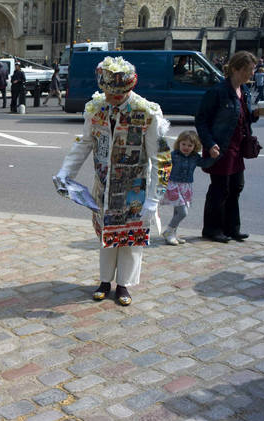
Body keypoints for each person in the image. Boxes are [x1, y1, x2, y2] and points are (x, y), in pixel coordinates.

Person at [55, 56, 172, 306]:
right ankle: (105, 280)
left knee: (130, 239)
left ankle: (124, 285)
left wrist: (154, 199)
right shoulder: (96, 108)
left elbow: (160, 158)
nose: (112, 98)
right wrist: (66, 173)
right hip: (104, 186)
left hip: (135, 189)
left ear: (130, 89)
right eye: (108, 92)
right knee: (106, 235)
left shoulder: (147, 112)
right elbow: (84, 143)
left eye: (118, 95)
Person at [196, 51, 264, 243]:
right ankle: (212, 229)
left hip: (237, 148)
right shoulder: (218, 91)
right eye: (249, 70)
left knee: (236, 186)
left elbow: (244, 118)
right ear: (236, 69)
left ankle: (232, 228)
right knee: (220, 189)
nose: (252, 74)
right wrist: (210, 144)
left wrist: (256, 114)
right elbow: (201, 121)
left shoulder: (243, 91)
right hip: (221, 148)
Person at [161, 131, 219, 245]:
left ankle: (173, 234)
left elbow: (205, 164)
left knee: (177, 212)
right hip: (173, 185)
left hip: (186, 186)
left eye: (190, 145)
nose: (186, 147)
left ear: (195, 146)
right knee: (183, 212)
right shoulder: (174, 155)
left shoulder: (194, 157)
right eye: (183, 144)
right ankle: (168, 231)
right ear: (179, 143)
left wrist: (213, 158)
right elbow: (164, 166)